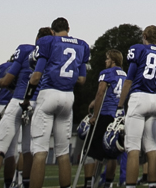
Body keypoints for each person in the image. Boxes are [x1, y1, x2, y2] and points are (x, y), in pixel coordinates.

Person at [0, 28, 52, 188]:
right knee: (28, 151)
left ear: (37, 37)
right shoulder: (53, 54)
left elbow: (6, 81)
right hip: (38, 105)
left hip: (18, 100)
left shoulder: (25, 50)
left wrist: (0, 82)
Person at [27, 18, 89, 188]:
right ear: (68, 28)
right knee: (63, 152)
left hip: (48, 94)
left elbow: (36, 76)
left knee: (40, 151)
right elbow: (82, 79)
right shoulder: (82, 44)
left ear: (52, 31)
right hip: (68, 97)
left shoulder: (48, 41)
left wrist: (28, 92)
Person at [117, 26, 156, 188]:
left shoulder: (138, 49)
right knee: (151, 149)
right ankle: (153, 185)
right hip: (155, 99)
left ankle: (130, 185)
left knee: (133, 149)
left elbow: (128, 80)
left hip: (139, 97)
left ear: (144, 35)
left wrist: (120, 106)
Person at [82, 49, 127, 188]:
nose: (105, 61)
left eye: (107, 58)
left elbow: (100, 92)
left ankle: (88, 183)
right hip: (119, 118)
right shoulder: (125, 75)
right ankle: (108, 184)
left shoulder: (106, 73)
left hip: (106, 114)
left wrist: (95, 115)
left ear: (113, 60)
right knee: (111, 154)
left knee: (91, 151)